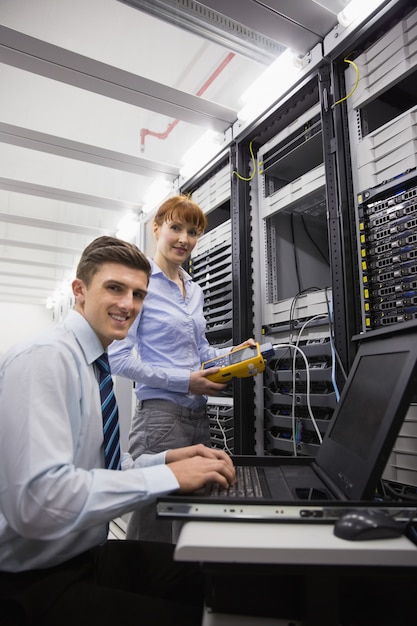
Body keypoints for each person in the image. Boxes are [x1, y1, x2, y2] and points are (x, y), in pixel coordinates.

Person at [0, 236, 236, 626]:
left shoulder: (92, 363)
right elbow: (40, 502)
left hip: (85, 556)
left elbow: (101, 471)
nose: (129, 304)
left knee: (219, 577)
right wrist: (167, 476)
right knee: (201, 618)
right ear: (80, 290)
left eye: (138, 294)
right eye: (115, 288)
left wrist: (166, 460)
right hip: (31, 582)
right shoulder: (47, 360)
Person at [108, 195, 255, 543]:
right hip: (160, 419)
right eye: (175, 227)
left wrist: (232, 356)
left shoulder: (194, 289)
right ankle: (138, 587)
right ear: (156, 228)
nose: (184, 239)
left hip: (196, 417)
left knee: (191, 512)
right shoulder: (140, 284)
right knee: (154, 518)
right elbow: (121, 359)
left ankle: (180, 591)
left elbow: (199, 350)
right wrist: (186, 381)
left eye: (192, 231)